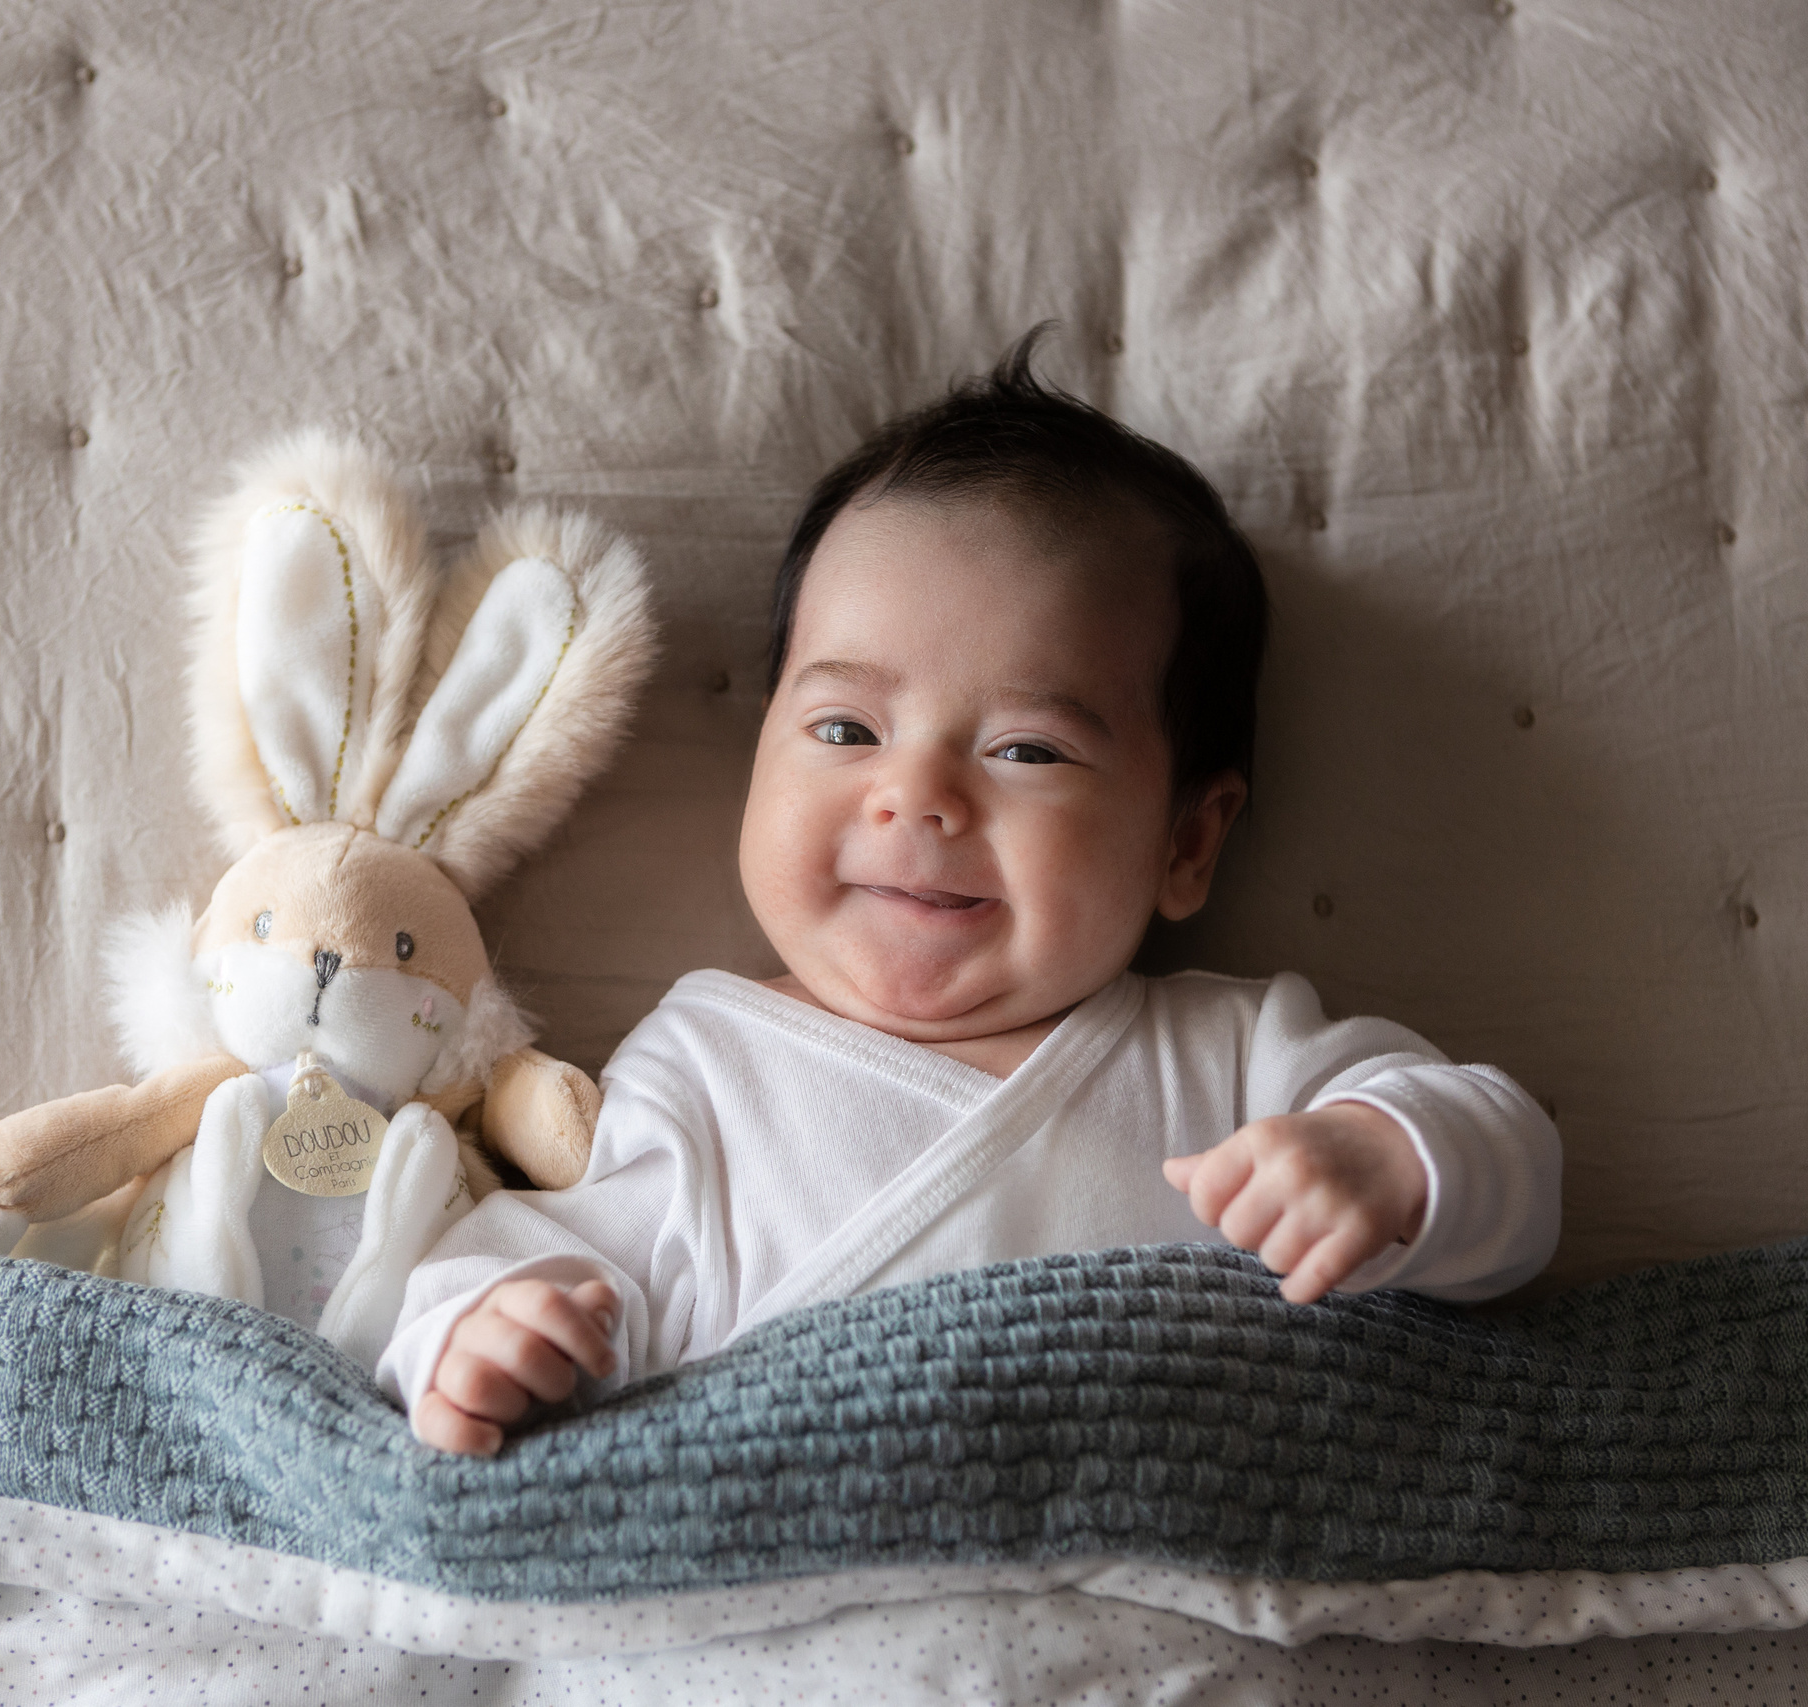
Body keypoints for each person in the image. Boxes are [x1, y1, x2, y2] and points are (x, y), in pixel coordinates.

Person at [383, 331, 1562, 1454]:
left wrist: (1390, 1158)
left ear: (1187, 843)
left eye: (1027, 750)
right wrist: (486, 1331)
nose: (918, 797)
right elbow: (567, 1262)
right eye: (847, 728)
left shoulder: (1233, 1057)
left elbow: (1513, 1177)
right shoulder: (711, 1064)